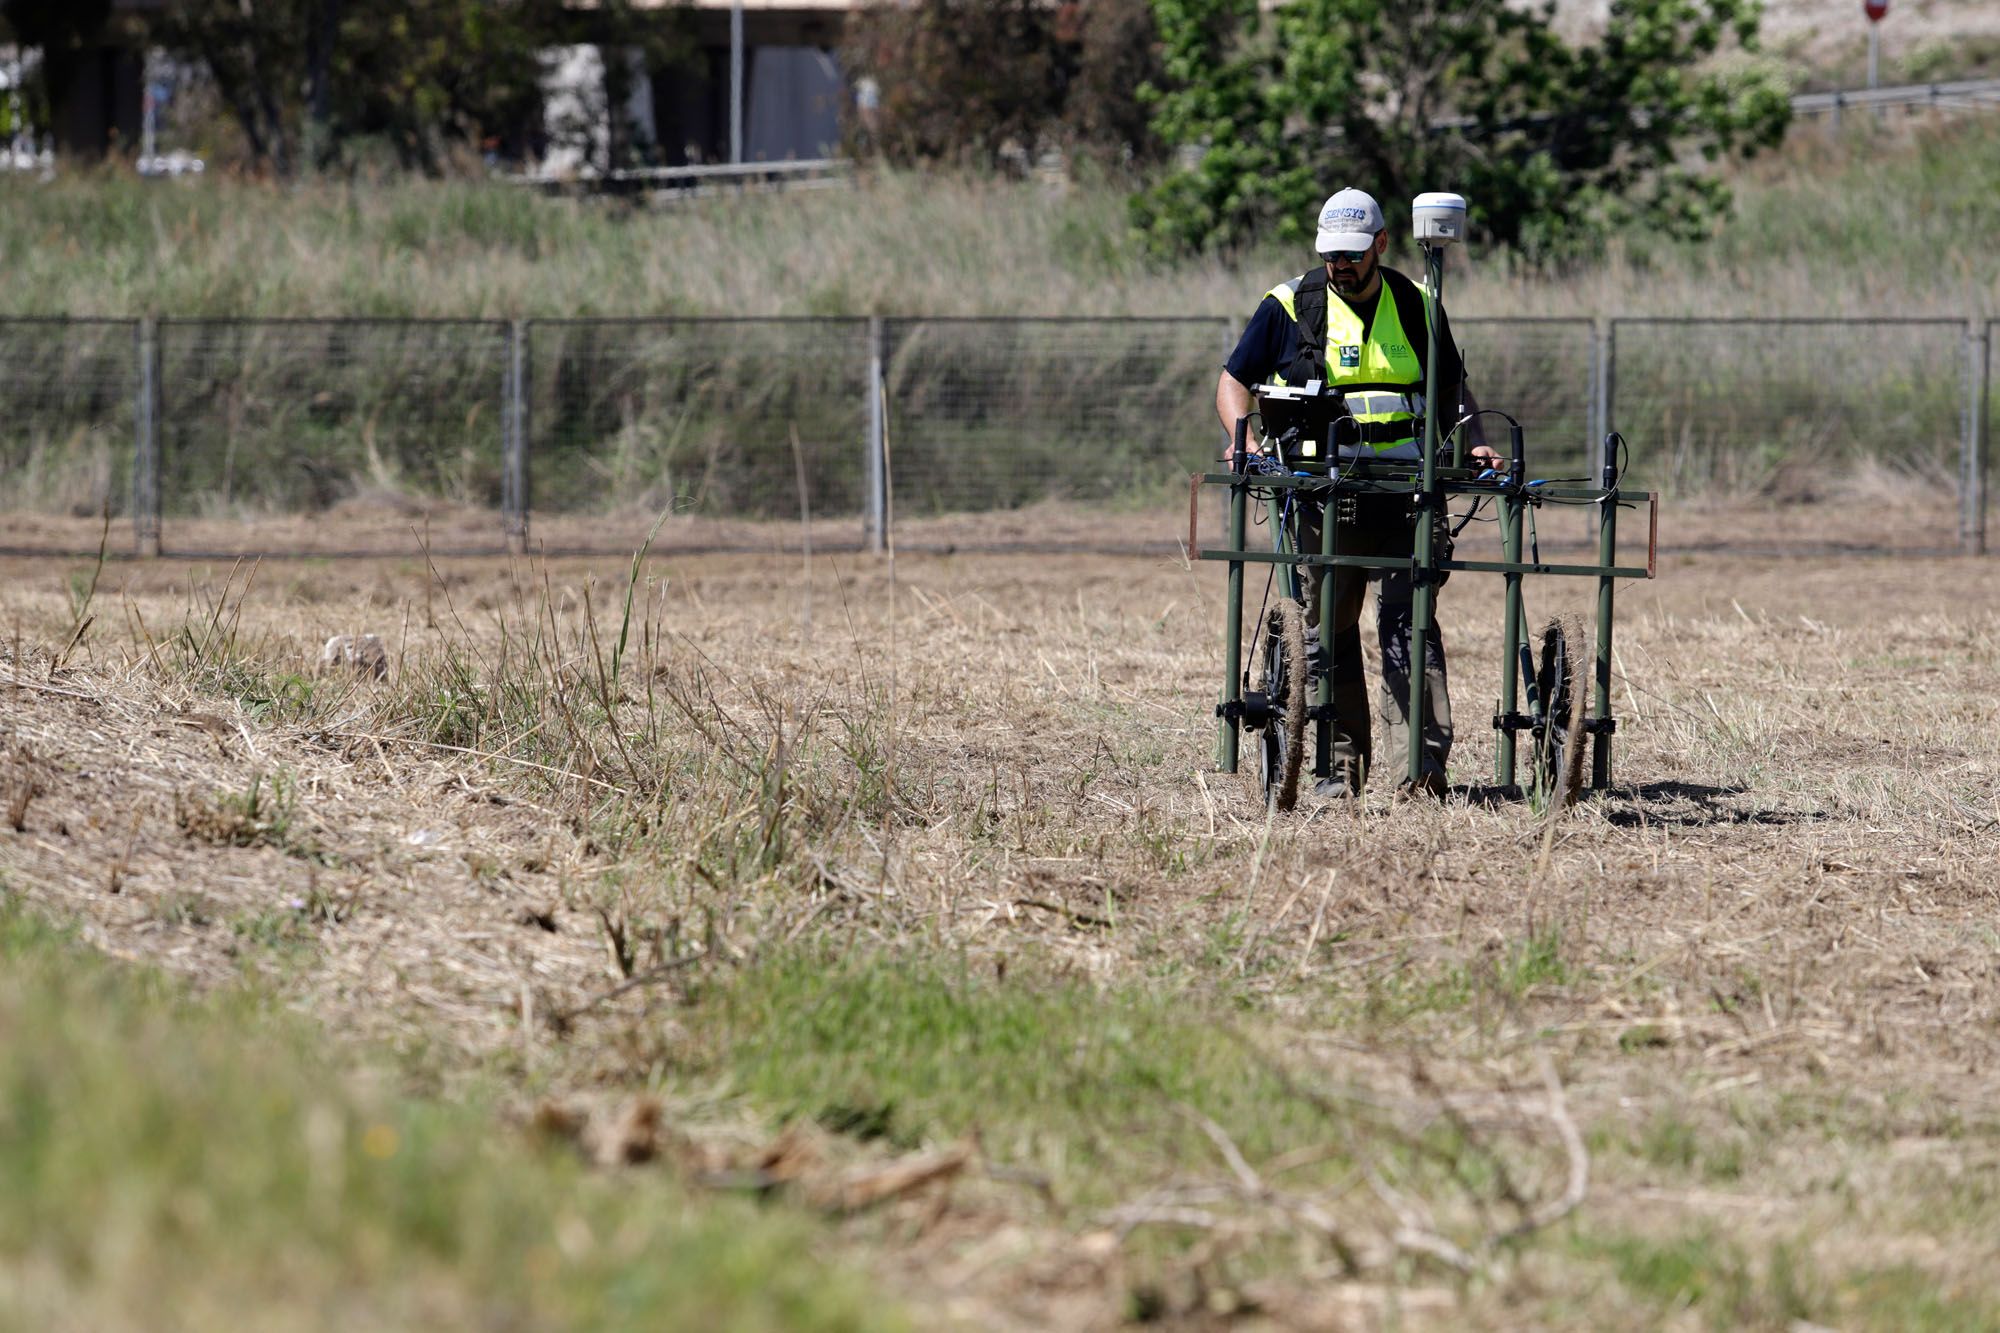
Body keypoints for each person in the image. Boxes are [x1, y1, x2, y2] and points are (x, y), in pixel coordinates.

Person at [1215, 187, 1500, 800]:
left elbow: (1453, 389)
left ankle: (1418, 776)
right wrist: (1244, 443)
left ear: (1381, 245)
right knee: (1329, 629)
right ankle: (1337, 768)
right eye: (1330, 255)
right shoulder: (1289, 306)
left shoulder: (1420, 303)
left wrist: (1475, 441)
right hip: (1325, 492)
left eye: (1350, 254)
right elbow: (1233, 382)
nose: (1339, 265)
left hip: (1408, 493)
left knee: (1409, 623)